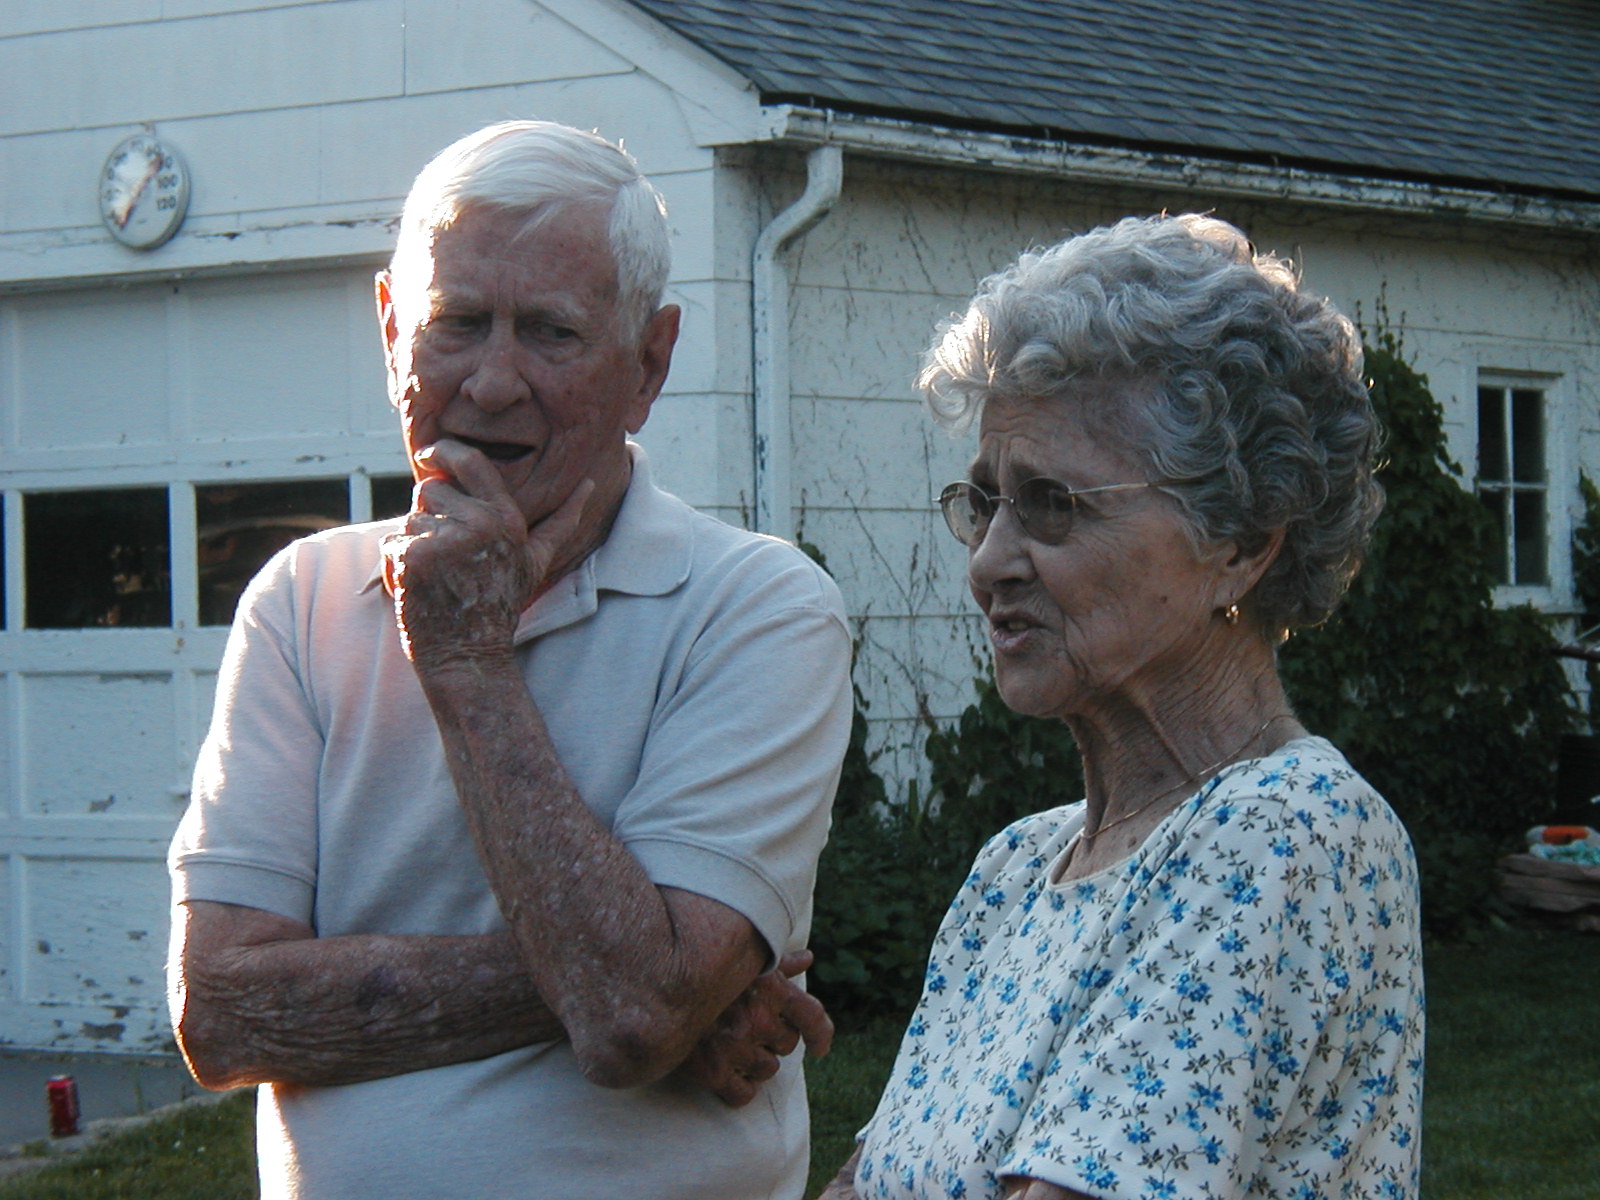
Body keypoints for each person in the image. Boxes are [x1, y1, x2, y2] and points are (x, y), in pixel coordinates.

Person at [166, 120, 853, 1200]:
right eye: (456, 324)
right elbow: (220, 1014)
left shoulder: (759, 608)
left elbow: (629, 1023)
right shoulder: (299, 602)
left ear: (650, 364)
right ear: (393, 331)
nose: (490, 384)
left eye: (550, 332)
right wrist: (676, 990)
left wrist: (468, 661)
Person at [824, 214, 1423, 1200]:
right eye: (985, 502)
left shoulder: (1286, 833)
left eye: (1052, 504)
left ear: (1240, 539)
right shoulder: (1012, 874)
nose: (986, 563)